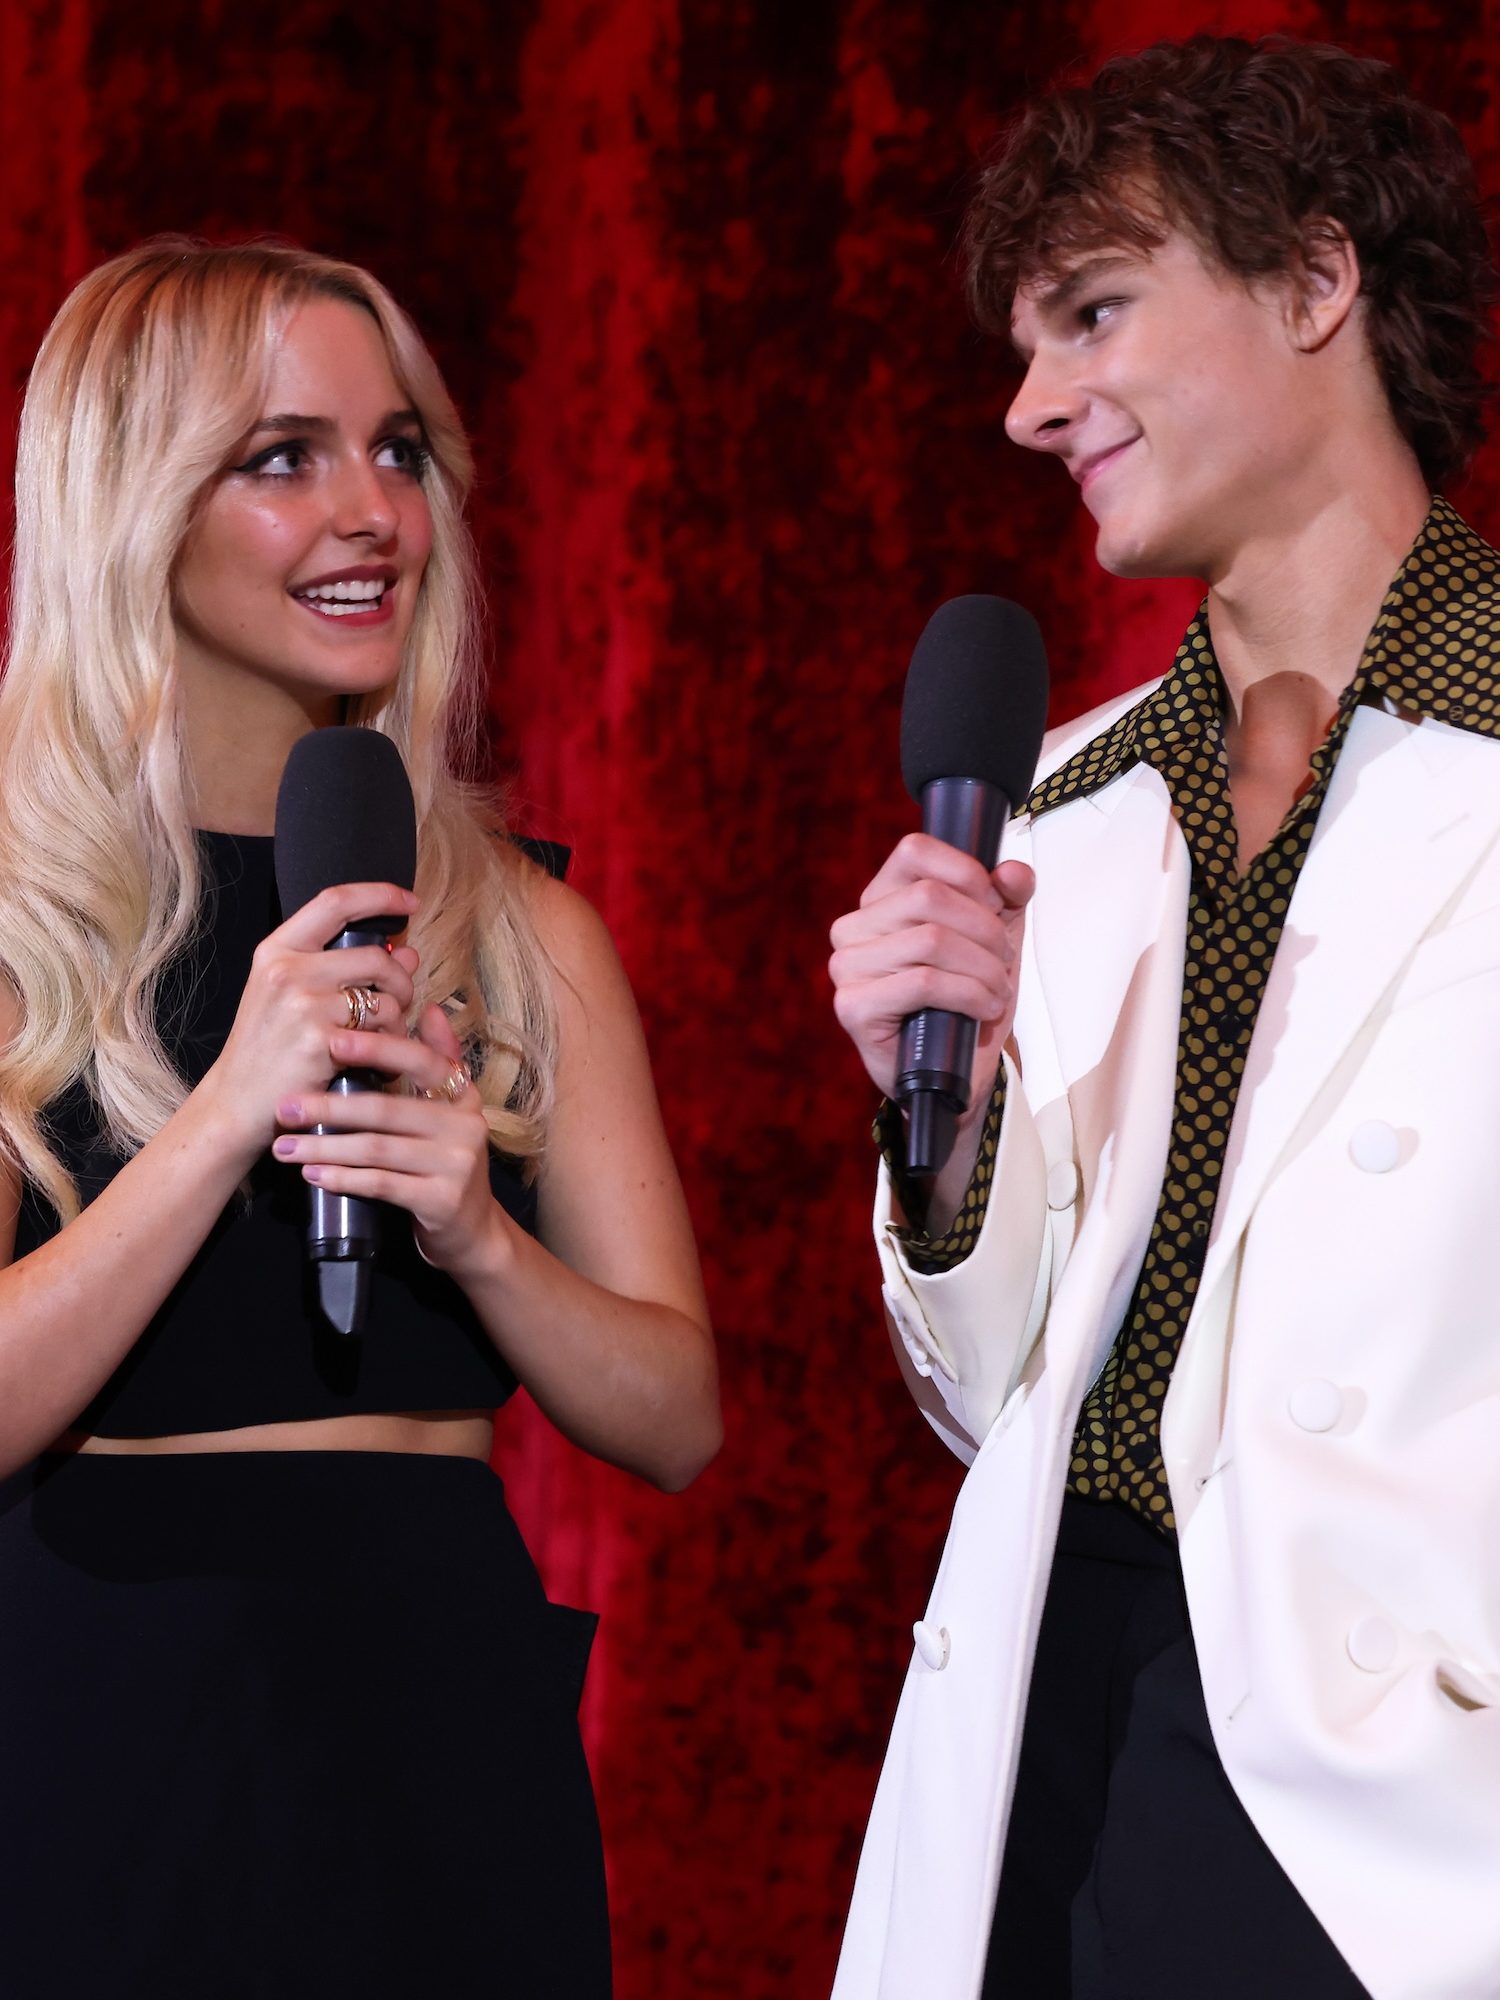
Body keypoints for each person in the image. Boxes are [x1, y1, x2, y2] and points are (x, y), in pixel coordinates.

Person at [828, 34, 1500, 2000]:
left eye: (1095, 316)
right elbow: (988, 1385)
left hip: (1403, 1791)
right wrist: (936, 1132)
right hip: (1063, 1704)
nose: (1035, 409)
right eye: (1024, 351)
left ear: (1316, 281)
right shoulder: (1069, 799)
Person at [0, 238, 720, 1997]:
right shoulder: (19, 922)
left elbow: (677, 1418)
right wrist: (227, 1113)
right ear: (132, 505)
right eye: (283, 457)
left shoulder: (517, 927)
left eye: (398, 450)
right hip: (106, 1714)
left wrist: (478, 1235)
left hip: (439, 1713)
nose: (372, 511)